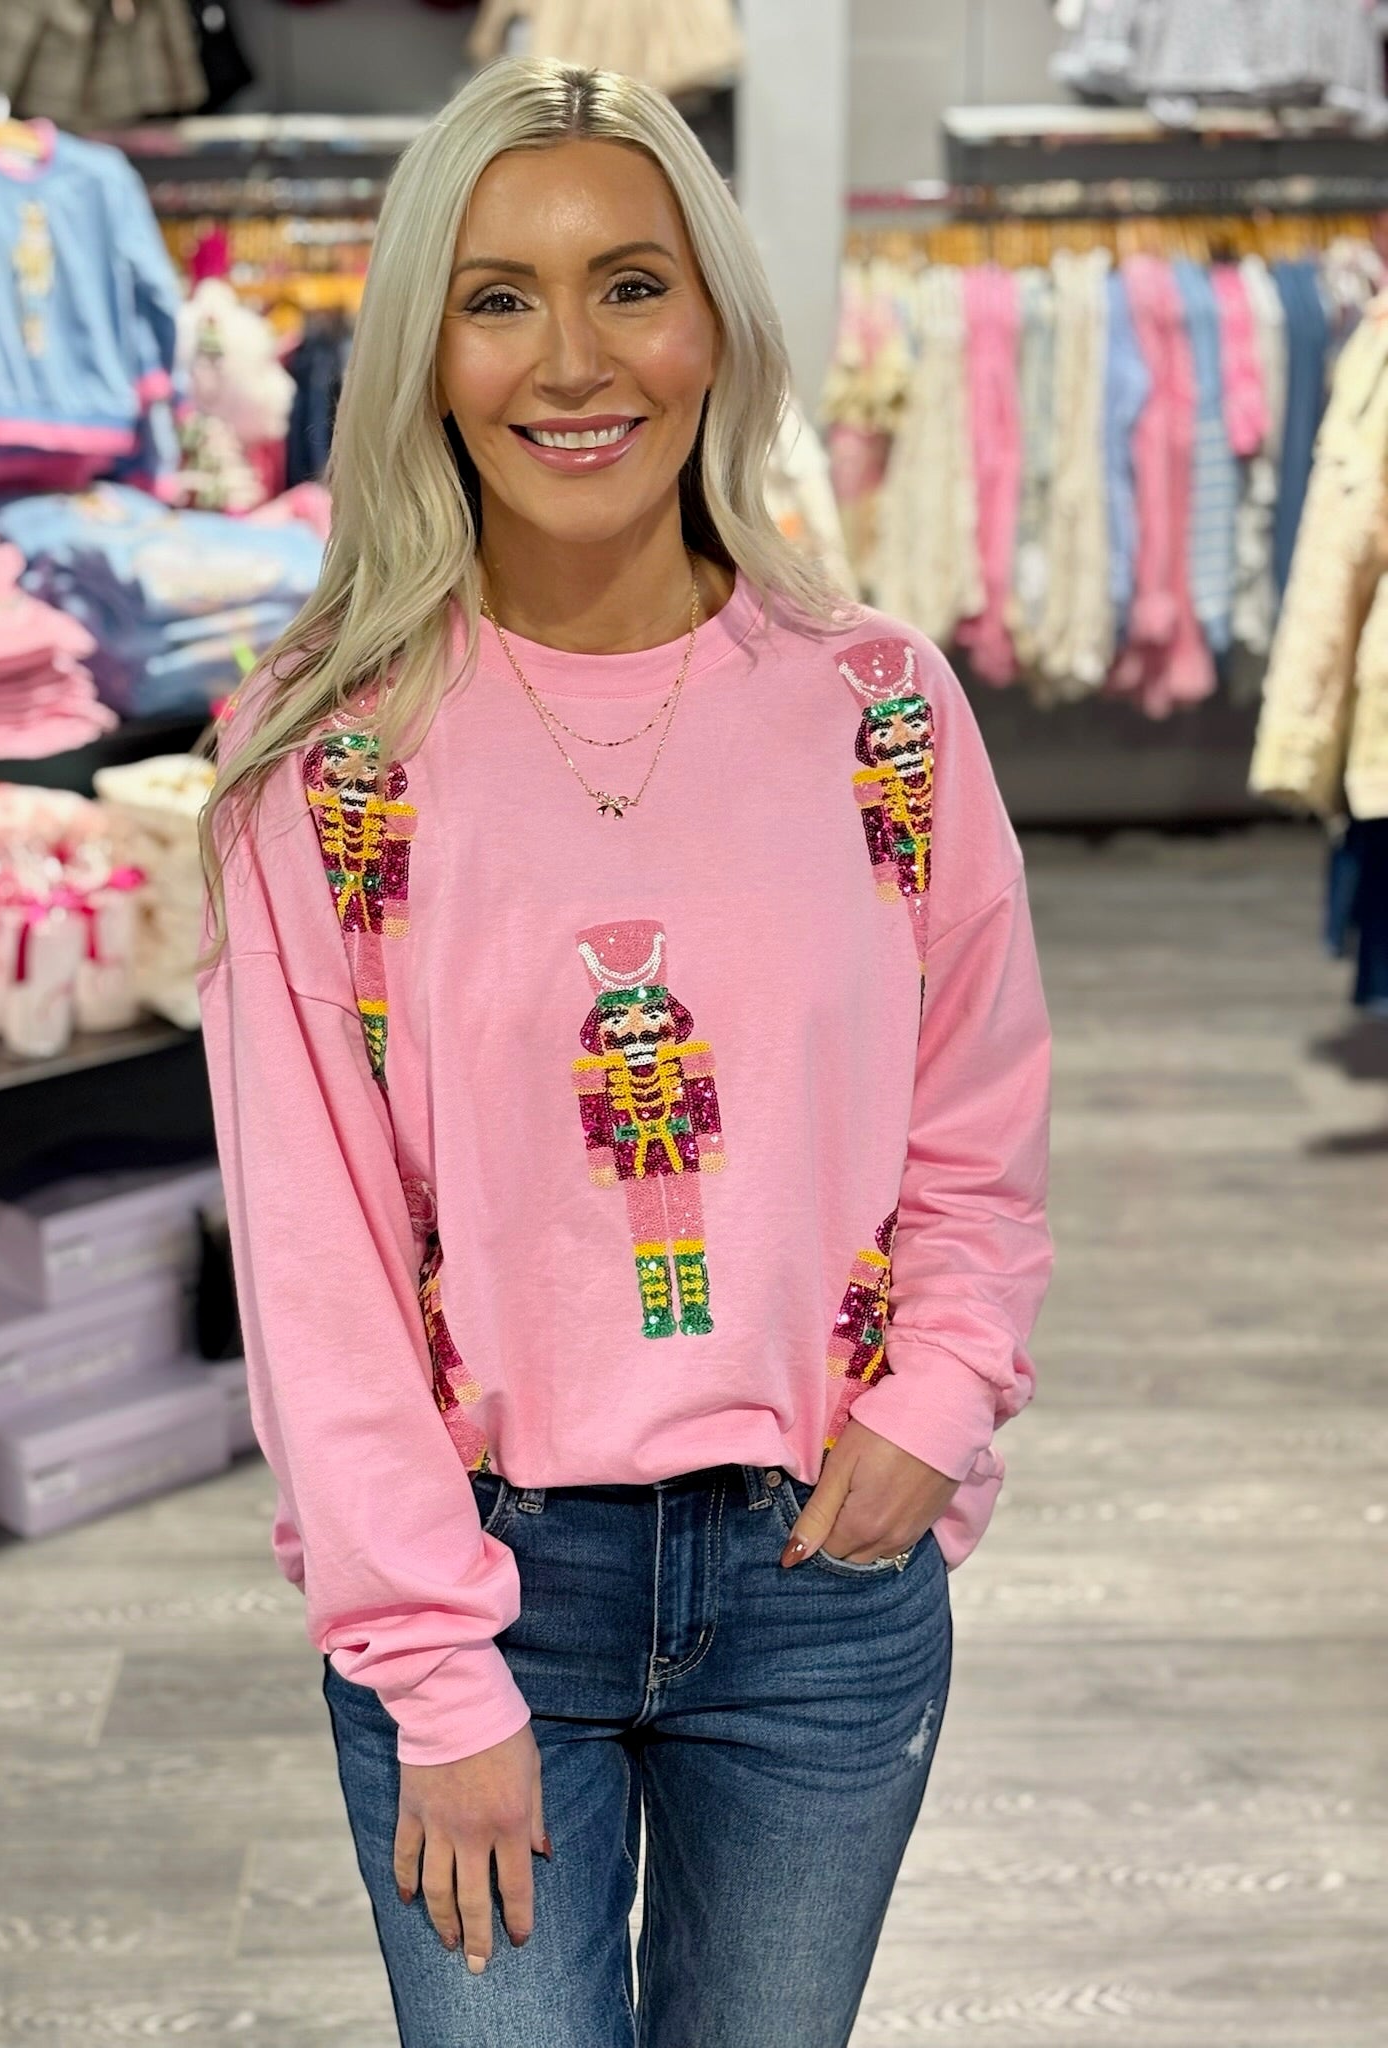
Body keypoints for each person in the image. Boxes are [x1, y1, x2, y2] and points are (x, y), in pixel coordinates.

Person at [196, 55, 1052, 2048]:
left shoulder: (880, 707)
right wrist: (435, 1669)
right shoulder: (324, 756)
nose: (572, 360)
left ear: (717, 322)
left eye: (631, 285)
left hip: (821, 1579)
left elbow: (976, 1114)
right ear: (423, 354)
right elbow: (316, 1265)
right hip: (488, 1594)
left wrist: (940, 1391)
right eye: (498, 297)